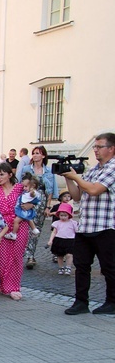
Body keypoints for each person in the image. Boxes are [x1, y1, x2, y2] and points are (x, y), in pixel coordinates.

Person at [62, 132, 115, 315]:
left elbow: (93, 190)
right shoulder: (93, 170)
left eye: (99, 147)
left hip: (105, 226)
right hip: (85, 226)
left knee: (109, 268)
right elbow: (77, 196)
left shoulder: (113, 168)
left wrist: (77, 177)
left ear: (111, 148)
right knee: (81, 266)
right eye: (95, 147)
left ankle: (112, 302)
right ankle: (81, 302)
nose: (96, 150)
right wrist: (69, 178)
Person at [0, 162, 31, 301]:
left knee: (16, 256)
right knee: (2, 256)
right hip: (2, 226)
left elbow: (33, 200)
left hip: (19, 224)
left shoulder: (20, 188)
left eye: (2, 174)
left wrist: (27, 208)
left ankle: (14, 286)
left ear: (10, 175)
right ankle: (3, 284)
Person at [17, 145, 58, 269]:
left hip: (41, 202)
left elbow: (49, 190)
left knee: (36, 229)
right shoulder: (26, 169)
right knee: (25, 227)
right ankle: (21, 253)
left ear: (43, 156)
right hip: (27, 200)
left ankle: (31, 255)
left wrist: (48, 206)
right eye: (34, 153)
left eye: (38, 153)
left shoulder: (49, 171)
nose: (35, 155)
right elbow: (19, 185)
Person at [5, 173, 41, 241]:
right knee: (29, 218)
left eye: (26, 186)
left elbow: (35, 199)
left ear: (33, 186)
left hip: (23, 211)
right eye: (23, 186)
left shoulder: (31, 193)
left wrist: (31, 203)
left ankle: (13, 233)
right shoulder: (27, 192)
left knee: (16, 221)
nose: (24, 188)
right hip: (24, 211)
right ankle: (34, 229)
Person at [47, 202, 77, 276]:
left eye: (65, 215)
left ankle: (68, 267)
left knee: (69, 255)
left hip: (70, 240)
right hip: (59, 240)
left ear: (69, 215)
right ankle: (61, 267)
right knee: (59, 256)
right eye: (61, 215)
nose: (63, 217)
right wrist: (50, 240)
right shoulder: (57, 223)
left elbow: (77, 232)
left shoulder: (73, 223)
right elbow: (54, 232)